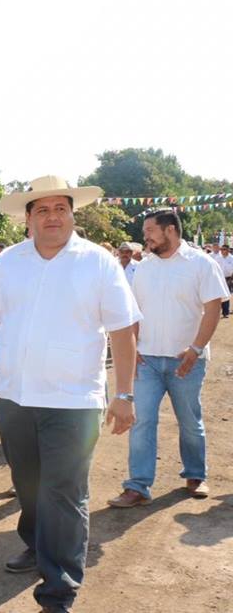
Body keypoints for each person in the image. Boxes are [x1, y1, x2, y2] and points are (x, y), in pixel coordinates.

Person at [0, 175, 141, 613]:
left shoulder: (98, 262)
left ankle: (58, 588)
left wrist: (126, 394)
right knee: (29, 483)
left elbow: (122, 329)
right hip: (13, 397)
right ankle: (35, 545)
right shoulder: (8, 263)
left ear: (73, 214)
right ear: (28, 218)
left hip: (74, 401)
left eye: (61, 208)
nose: (53, 216)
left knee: (64, 491)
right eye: (43, 210)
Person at [108, 210, 228, 508]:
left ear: (171, 230)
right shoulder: (143, 268)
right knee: (142, 422)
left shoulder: (202, 264)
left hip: (187, 361)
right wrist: (131, 350)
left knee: (189, 422)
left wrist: (196, 349)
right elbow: (133, 314)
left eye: (150, 230)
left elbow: (212, 309)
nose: (145, 236)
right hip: (146, 360)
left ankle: (196, 475)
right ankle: (137, 486)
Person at [210, 244, 233, 318]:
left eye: (224, 249)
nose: (222, 251)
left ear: (228, 250)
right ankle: (217, 311)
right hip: (219, 278)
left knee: (226, 294)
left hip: (228, 278)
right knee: (219, 294)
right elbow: (214, 268)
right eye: (222, 249)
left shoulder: (231, 258)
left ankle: (225, 312)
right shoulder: (217, 258)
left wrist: (231, 279)